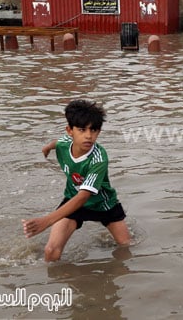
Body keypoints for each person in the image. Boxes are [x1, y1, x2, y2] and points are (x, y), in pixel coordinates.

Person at [22, 99, 131, 262]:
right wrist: (46, 148)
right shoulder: (65, 143)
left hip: (103, 205)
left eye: (93, 130)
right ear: (70, 131)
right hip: (73, 201)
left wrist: (46, 221)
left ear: (99, 132)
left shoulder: (98, 159)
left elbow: (84, 197)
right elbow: (56, 143)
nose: (88, 136)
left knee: (126, 247)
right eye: (82, 130)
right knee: (51, 251)